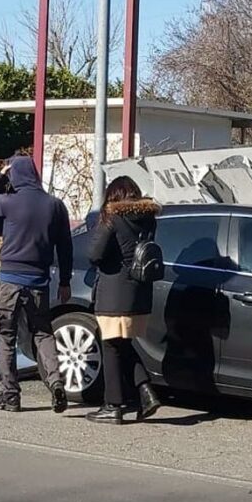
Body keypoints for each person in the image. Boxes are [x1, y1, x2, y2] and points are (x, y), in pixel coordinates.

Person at [0, 155, 72, 414]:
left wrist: (0, 175)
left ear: (15, 175)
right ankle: (56, 382)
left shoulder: (10, 203)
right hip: (39, 283)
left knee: (6, 337)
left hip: (9, 282)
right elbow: (65, 247)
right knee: (43, 333)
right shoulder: (55, 206)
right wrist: (64, 281)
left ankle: (10, 395)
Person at [85, 176, 163, 424]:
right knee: (123, 344)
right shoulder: (148, 218)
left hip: (114, 292)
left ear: (113, 195)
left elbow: (95, 254)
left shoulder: (112, 216)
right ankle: (146, 392)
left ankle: (112, 406)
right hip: (139, 292)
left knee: (110, 346)